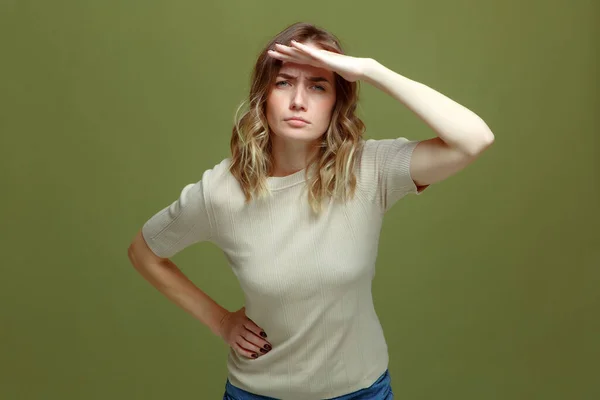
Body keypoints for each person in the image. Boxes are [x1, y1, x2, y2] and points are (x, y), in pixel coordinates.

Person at [127, 22, 494, 400]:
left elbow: (474, 139)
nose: (298, 100)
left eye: (318, 86)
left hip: (361, 392)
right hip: (257, 394)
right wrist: (221, 321)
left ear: (337, 102)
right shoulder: (222, 191)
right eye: (284, 82)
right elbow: (144, 252)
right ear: (263, 96)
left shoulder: (368, 169)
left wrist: (370, 70)